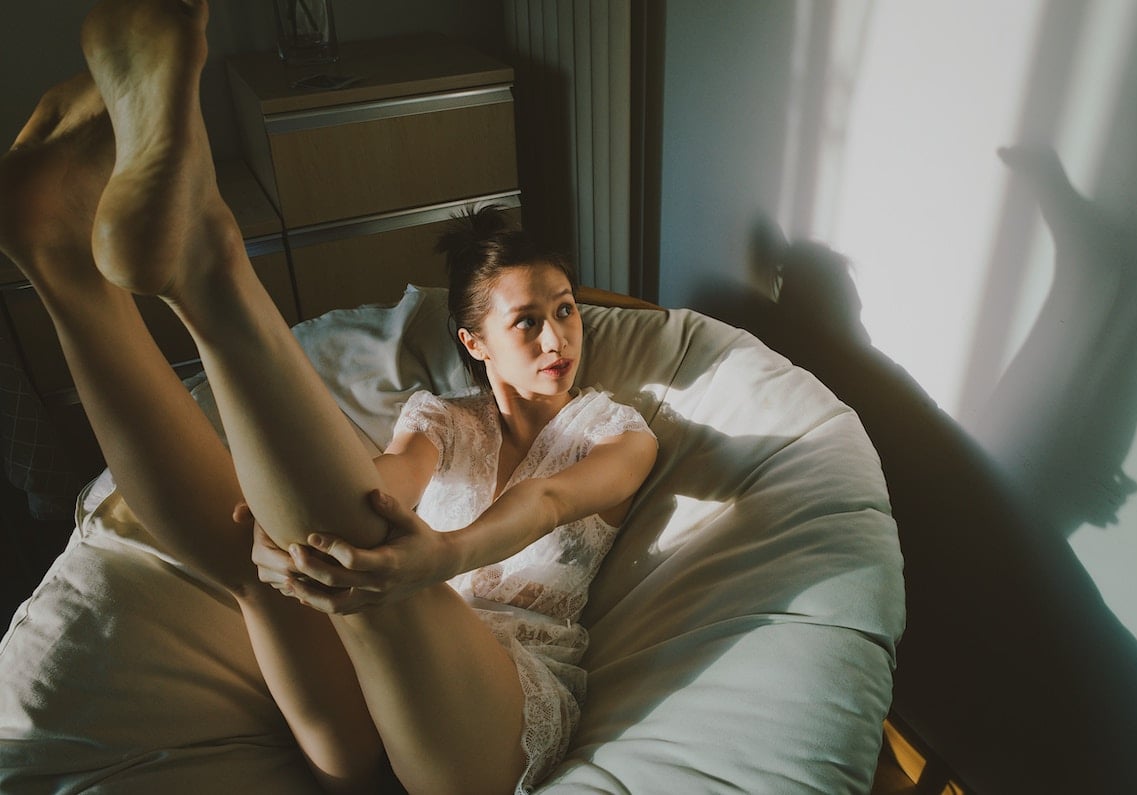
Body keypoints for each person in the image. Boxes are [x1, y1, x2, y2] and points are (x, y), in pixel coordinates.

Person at [0, 1, 658, 793]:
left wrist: (440, 557)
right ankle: (66, 260)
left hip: (489, 703)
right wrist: (298, 538)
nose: (558, 338)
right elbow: (388, 484)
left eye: (565, 311)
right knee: (271, 558)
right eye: (529, 321)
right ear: (474, 344)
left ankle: (183, 257)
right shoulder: (441, 419)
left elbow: (551, 500)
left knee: (377, 585)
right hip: (371, 677)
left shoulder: (616, 429)